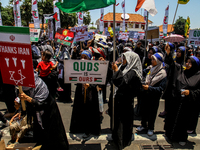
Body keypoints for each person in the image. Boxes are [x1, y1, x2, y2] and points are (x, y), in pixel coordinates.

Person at [19, 71, 69, 149]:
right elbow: (21, 100)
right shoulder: (22, 85)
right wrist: (21, 110)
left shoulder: (39, 84)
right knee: (41, 138)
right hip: (37, 115)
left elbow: (41, 103)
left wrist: (28, 98)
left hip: (49, 113)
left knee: (54, 137)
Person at [164, 43, 200, 146]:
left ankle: (182, 138)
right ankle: (171, 136)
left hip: (188, 105)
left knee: (183, 122)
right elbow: (171, 63)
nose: (187, 64)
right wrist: (168, 53)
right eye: (187, 62)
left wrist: (190, 92)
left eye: (190, 63)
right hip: (177, 100)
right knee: (173, 119)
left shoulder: (198, 77)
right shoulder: (182, 71)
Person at [111, 51, 142, 150]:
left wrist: (116, 71)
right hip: (119, 99)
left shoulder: (133, 72)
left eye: (124, 58)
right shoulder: (123, 67)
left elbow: (122, 82)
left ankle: (122, 142)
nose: (123, 60)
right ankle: (116, 139)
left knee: (123, 122)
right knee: (117, 120)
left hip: (126, 100)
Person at [70, 50, 101, 138]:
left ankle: (89, 130)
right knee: (80, 110)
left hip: (90, 94)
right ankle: (79, 128)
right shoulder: (78, 66)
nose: (83, 59)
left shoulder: (94, 67)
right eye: (82, 57)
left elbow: (97, 80)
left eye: (85, 57)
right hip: (80, 92)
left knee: (89, 112)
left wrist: (90, 85)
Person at [137, 53, 167, 136]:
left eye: (154, 59)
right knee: (144, 111)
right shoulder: (150, 68)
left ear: (158, 61)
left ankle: (150, 128)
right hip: (146, 94)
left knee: (152, 112)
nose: (152, 61)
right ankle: (143, 125)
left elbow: (161, 88)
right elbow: (143, 74)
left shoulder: (163, 73)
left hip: (154, 96)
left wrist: (149, 88)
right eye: (152, 59)